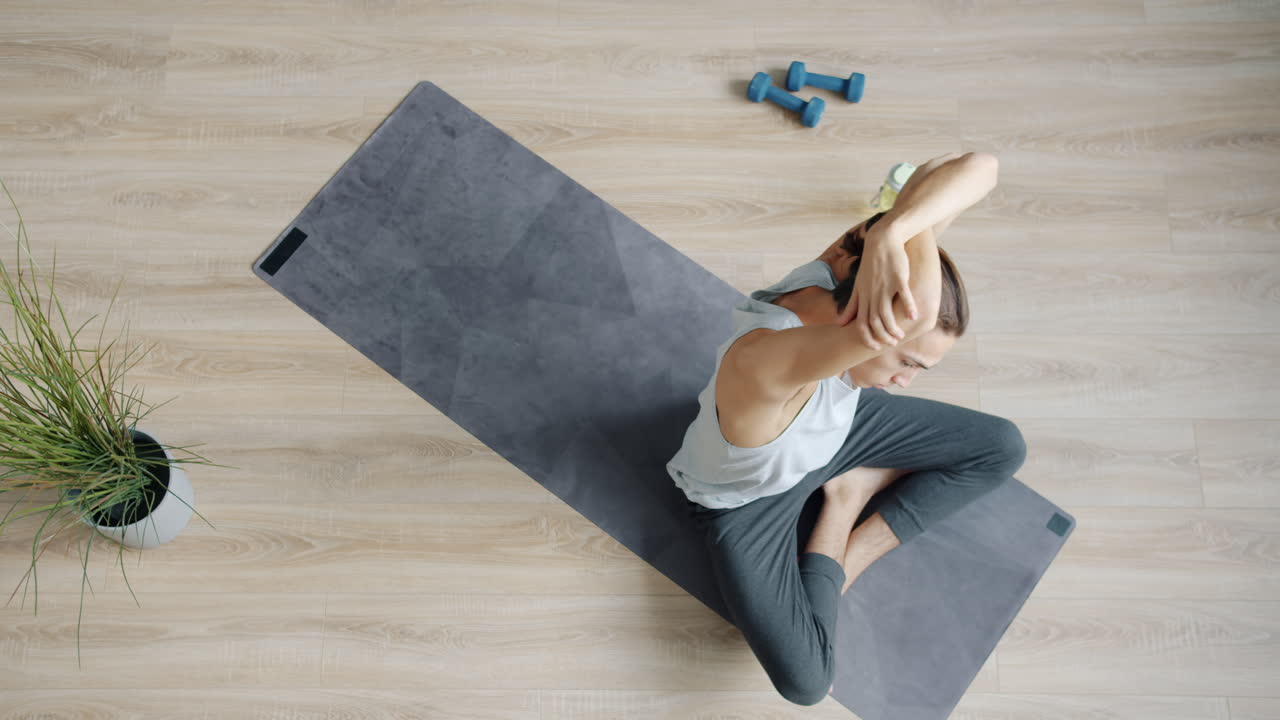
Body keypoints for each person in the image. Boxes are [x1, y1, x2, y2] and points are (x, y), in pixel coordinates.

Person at [666, 152, 1028, 706]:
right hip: (750, 502)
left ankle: (849, 536)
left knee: (1002, 447)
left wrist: (895, 228)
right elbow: (910, 315)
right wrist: (897, 223)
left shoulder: (843, 268)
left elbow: (978, 166)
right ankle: (844, 501)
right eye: (907, 363)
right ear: (868, 326)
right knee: (809, 681)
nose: (907, 381)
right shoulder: (763, 364)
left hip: (840, 426)